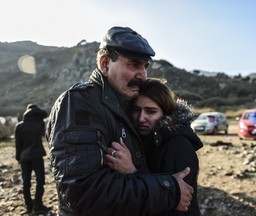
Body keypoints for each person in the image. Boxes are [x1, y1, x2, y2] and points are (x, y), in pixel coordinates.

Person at [46, 26, 194, 216]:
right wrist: (169, 190)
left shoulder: (126, 105)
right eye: (134, 65)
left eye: (145, 66)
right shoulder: (79, 104)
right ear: (105, 64)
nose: (143, 75)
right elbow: (83, 193)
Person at [106, 78, 203, 215]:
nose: (141, 118)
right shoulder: (140, 140)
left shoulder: (178, 146)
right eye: (136, 110)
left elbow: (173, 205)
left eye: (151, 112)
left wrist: (132, 171)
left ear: (166, 113)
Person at [15, 104, 50, 214]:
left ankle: (29, 206)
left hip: (24, 158)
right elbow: (45, 114)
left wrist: (18, 158)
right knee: (40, 181)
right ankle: (38, 205)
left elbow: (18, 144)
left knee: (26, 182)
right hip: (37, 156)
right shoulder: (40, 124)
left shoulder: (19, 126)